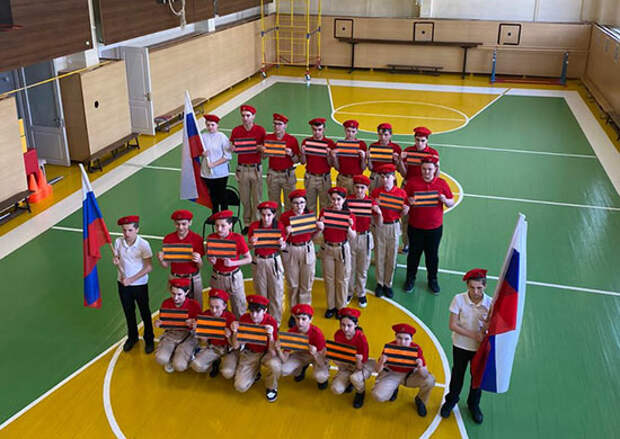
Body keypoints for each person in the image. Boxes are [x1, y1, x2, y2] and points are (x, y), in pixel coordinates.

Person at [440, 268, 492, 424]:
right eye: (472, 287)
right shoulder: (459, 299)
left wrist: (487, 328)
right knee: (457, 374)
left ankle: (473, 404)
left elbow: (494, 326)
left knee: (477, 377)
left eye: (479, 288)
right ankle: (451, 400)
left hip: (479, 349)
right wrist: (474, 335)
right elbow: (452, 325)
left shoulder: (490, 303)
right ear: (467, 286)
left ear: (485, 286)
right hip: (461, 345)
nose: (475, 292)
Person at [404, 156, 454, 294]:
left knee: (432, 256)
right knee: (413, 255)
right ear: (421, 169)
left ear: (435, 169)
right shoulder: (412, 183)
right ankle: (410, 279)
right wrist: (408, 202)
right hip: (415, 227)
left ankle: (432, 280)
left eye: (429, 169)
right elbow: (404, 200)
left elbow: (451, 202)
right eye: (424, 169)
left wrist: (445, 200)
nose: (427, 172)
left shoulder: (442, 183)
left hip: (434, 228)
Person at [372, 323, 436, 417]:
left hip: (409, 375)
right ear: (395, 337)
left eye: (406, 339)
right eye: (399, 338)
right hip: (392, 374)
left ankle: (420, 400)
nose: (402, 342)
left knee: (430, 381)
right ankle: (394, 388)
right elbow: (377, 370)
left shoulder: (416, 349)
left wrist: (420, 367)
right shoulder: (389, 347)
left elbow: (425, 375)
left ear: (411, 339)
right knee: (378, 396)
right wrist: (381, 362)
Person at [112, 215, 154, 353]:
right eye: (124, 230)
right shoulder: (118, 242)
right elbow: (118, 259)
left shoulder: (143, 245)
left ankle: (149, 339)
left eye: (130, 230)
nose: (127, 233)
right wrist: (116, 261)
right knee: (128, 312)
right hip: (123, 284)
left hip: (139, 285)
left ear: (137, 229)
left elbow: (149, 267)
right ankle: (132, 337)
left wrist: (131, 279)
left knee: (144, 312)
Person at [231, 295, 282, 402]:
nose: (254, 315)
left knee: (275, 365)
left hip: (267, 353)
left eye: (258, 312)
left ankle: (271, 387)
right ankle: (255, 372)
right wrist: (235, 332)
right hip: (251, 353)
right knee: (240, 386)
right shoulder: (244, 319)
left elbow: (273, 353)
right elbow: (235, 346)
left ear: (265, 310)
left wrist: (271, 336)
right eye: (251, 311)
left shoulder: (271, 322)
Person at [397, 126, 439, 254]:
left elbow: (436, 177)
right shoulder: (408, 151)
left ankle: (420, 244)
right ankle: (406, 244)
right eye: (417, 140)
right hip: (408, 188)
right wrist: (400, 161)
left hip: (424, 191)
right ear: (414, 139)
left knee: (422, 218)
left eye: (422, 140)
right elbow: (404, 174)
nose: (419, 143)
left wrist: (438, 166)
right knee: (405, 217)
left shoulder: (433, 153)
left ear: (427, 140)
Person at [316, 187, 356, 318]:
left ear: (344, 200)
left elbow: (353, 236)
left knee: (342, 280)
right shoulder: (325, 212)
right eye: (333, 199)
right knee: (329, 279)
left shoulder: (349, 215)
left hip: (342, 248)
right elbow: (319, 233)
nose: (336, 202)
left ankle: (341, 307)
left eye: (339, 199)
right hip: (328, 247)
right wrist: (320, 226)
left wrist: (349, 227)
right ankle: (331, 306)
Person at [280, 189, 318, 327]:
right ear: (291, 204)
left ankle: (305, 312)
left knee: (306, 284)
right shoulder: (285, 217)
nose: (299, 206)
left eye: (302, 202)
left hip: (307, 248)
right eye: (296, 203)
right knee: (293, 284)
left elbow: (314, 236)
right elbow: (281, 241)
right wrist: (286, 232)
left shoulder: (309, 216)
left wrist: (319, 229)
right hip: (291, 249)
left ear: (305, 203)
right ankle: (294, 313)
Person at [371, 164, 409, 299]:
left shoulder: (401, 193)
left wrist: (405, 212)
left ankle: (388, 283)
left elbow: (402, 213)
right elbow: (373, 212)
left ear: (393, 177)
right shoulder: (376, 193)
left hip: (394, 226)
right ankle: (380, 283)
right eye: (382, 177)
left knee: (391, 256)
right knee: (379, 255)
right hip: (380, 226)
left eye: (387, 177)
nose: (385, 180)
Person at [206, 210, 252, 318]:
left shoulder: (238, 238)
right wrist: (211, 260)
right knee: (218, 310)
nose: (219, 229)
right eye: (217, 226)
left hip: (234, 277)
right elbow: (209, 256)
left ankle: (239, 327)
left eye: (223, 226)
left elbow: (249, 259)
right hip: (217, 277)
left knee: (239, 307)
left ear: (230, 225)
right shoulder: (211, 238)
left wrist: (233, 263)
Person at [248, 201, 287, 324]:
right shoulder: (254, 226)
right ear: (260, 214)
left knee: (276, 293)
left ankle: (275, 322)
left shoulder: (279, 226)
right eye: (263, 215)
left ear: (274, 215)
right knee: (261, 292)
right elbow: (249, 247)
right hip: (259, 260)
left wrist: (282, 244)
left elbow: (283, 247)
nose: (266, 218)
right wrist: (251, 243)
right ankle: (262, 319)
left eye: (269, 215)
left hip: (273, 260)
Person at [229, 104, 266, 233]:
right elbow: (233, 147)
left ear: (253, 116)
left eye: (248, 115)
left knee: (257, 199)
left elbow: (265, 153)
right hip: (242, 169)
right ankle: (247, 223)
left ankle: (256, 222)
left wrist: (262, 149)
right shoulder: (236, 131)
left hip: (256, 168)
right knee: (245, 199)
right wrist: (232, 148)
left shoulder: (260, 131)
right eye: (243, 115)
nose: (245, 118)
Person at [158, 209, 205, 308]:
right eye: (177, 224)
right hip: (175, 278)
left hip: (193, 278)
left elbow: (200, 266)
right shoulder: (168, 239)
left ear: (190, 223)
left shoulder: (197, 239)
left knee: (196, 306)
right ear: (174, 223)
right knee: (177, 305)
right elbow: (166, 265)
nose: (180, 227)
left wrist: (199, 260)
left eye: (184, 224)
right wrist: (161, 259)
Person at [154, 278, 202, 372]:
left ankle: (192, 352)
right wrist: (159, 323)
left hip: (188, 336)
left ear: (187, 292)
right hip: (171, 334)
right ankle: (172, 355)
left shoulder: (194, 305)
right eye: (173, 293)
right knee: (160, 359)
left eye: (179, 294)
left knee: (180, 366)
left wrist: (195, 323)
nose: (175, 298)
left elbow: (201, 326)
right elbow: (164, 322)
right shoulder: (166, 303)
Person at [330, 308, 374, 409]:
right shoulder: (338, 334)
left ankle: (360, 392)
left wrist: (358, 360)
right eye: (343, 325)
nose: (345, 329)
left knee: (355, 378)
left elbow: (360, 366)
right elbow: (339, 355)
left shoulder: (361, 338)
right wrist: (337, 360)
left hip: (361, 365)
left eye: (349, 325)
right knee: (336, 389)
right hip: (346, 364)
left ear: (356, 324)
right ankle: (349, 382)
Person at [277, 304, 329, 389]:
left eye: (304, 319)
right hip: (301, 355)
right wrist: (278, 349)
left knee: (320, 376)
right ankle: (301, 369)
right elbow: (284, 359)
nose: (300, 322)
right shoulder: (291, 332)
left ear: (311, 320)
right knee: (283, 370)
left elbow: (322, 361)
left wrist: (315, 354)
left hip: (317, 356)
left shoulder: (317, 334)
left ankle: (323, 379)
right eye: (298, 318)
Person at [190, 288, 238, 379]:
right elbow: (203, 342)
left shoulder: (231, 318)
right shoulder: (205, 316)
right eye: (211, 306)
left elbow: (234, 345)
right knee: (196, 365)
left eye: (217, 307)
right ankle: (213, 365)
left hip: (229, 350)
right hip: (213, 348)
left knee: (228, 373)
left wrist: (229, 336)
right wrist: (198, 330)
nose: (214, 310)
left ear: (224, 306)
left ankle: (229, 364)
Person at [346, 175, 378, 308]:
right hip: (350, 237)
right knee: (350, 267)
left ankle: (361, 292)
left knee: (363, 268)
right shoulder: (347, 201)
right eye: (357, 187)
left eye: (362, 187)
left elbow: (378, 222)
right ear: (353, 187)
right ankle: (349, 291)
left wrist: (378, 212)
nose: (359, 190)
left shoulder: (371, 202)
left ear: (367, 188)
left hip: (365, 237)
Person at [263, 113, 300, 213]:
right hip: (273, 174)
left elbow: (297, 160)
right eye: (275, 124)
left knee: (290, 203)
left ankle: (288, 222)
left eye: (279, 124)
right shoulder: (268, 138)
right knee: (274, 204)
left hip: (288, 175)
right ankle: (276, 222)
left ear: (285, 126)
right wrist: (264, 151)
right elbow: (263, 157)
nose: (276, 126)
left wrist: (291, 154)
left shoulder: (292, 140)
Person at [300, 118, 336, 214]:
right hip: (310, 177)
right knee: (309, 205)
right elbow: (303, 162)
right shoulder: (306, 142)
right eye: (314, 130)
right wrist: (302, 154)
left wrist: (329, 156)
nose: (317, 132)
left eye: (319, 130)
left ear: (324, 129)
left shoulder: (330, 143)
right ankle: (312, 223)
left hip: (324, 178)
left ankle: (322, 223)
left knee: (325, 205)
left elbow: (332, 164)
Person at [332, 119, 367, 195]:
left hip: (357, 180)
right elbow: (337, 168)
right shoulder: (339, 144)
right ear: (345, 130)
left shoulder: (361, 145)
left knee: (355, 200)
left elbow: (363, 167)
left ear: (357, 131)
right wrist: (334, 157)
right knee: (342, 199)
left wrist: (363, 158)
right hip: (343, 178)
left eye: (353, 131)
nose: (350, 134)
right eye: (348, 131)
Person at [367, 123, 401, 192]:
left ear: (390, 135)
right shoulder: (373, 146)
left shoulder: (396, 147)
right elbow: (370, 168)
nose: (382, 137)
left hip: (389, 177)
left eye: (386, 135)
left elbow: (398, 168)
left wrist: (397, 160)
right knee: (373, 195)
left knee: (390, 195)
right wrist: (368, 159)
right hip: (375, 176)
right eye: (380, 134)